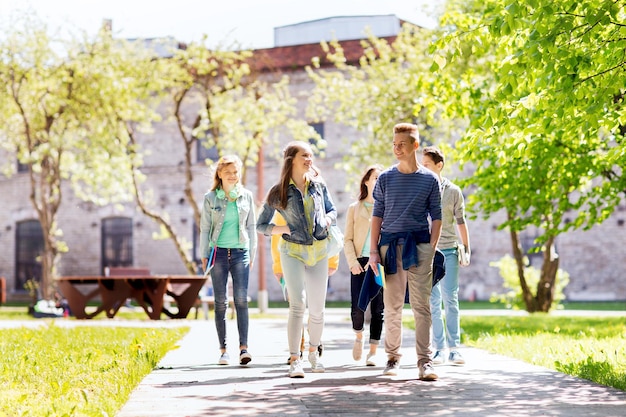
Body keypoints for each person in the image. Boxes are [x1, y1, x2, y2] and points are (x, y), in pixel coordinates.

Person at [368, 122, 442, 381]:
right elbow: (376, 216)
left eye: (402, 144)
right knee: (392, 306)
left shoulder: (430, 179)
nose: (396, 148)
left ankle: (425, 362)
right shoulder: (386, 178)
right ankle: (392, 358)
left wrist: (431, 249)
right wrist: (373, 251)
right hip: (389, 247)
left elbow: (437, 217)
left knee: (422, 307)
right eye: (394, 144)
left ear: (415, 145)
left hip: (420, 247)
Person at [257, 140, 338, 378]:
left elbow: (332, 210)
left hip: (319, 251)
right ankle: (295, 359)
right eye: (305, 155)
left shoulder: (319, 185)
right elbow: (260, 225)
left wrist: (328, 220)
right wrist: (282, 230)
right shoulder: (279, 190)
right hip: (291, 251)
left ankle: (313, 351)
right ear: (292, 159)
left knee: (317, 309)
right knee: (297, 305)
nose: (309, 159)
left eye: (311, 155)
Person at [200, 155, 257, 366]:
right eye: (228, 172)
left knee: (241, 299)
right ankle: (223, 350)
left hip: (241, 251)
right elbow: (205, 228)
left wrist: (252, 252)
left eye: (236, 172)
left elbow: (251, 226)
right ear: (220, 174)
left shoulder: (247, 196)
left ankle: (244, 348)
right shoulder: (210, 198)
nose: (233, 176)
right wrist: (204, 254)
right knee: (220, 302)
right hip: (218, 253)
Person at [421, 146, 471, 366]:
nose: (423, 169)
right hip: (427, 251)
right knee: (433, 301)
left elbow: (461, 221)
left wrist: (466, 248)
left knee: (450, 299)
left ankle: (454, 349)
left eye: (427, 165)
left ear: (439, 165)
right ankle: (439, 349)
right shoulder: (421, 189)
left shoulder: (453, 191)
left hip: (449, 250)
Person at [270, 212, 338, 364]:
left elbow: (330, 229)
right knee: (296, 304)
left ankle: (314, 338)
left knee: (315, 306)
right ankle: (297, 348)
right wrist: (278, 266)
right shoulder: (285, 201)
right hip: (292, 258)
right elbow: (276, 239)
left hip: (317, 258)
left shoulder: (318, 192)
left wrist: (332, 260)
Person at [343, 164, 384, 366]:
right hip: (359, 262)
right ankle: (358, 336)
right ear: (366, 181)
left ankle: (374, 351)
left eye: (380, 178)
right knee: (358, 308)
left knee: (378, 309)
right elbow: (347, 239)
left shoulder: (386, 207)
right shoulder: (354, 208)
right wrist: (352, 262)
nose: (377, 181)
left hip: (379, 262)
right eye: (375, 177)